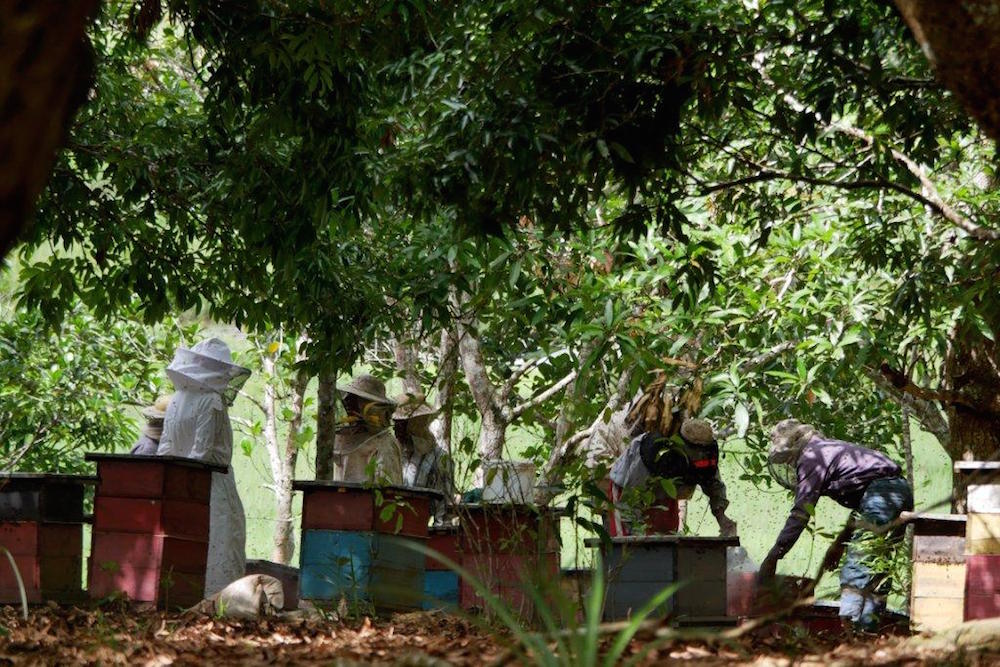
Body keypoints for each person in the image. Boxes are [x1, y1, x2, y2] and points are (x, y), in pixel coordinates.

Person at [758, 418, 914, 631]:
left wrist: (774, 555)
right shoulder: (823, 450)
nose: (789, 465)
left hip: (884, 494)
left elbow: (801, 513)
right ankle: (868, 631)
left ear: (792, 448)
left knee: (859, 561)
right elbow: (863, 507)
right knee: (878, 565)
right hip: (898, 491)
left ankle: (849, 628)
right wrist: (838, 545)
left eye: (787, 459)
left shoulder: (812, 456)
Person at [157, 338, 251, 597]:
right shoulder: (210, 400)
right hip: (212, 486)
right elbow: (203, 452)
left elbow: (165, 449)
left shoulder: (176, 398)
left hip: (177, 484)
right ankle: (219, 605)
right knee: (220, 544)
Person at [608, 418, 737, 537]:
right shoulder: (654, 454)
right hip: (628, 490)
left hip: (667, 494)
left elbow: (713, 484)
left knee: (667, 541)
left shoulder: (706, 456)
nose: (701, 456)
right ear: (684, 447)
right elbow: (630, 501)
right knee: (628, 544)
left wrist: (722, 518)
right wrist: (636, 536)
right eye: (698, 452)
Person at [393, 393, 454, 524]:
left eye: (401, 423)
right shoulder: (392, 451)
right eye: (395, 422)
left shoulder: (440, 460)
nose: (396, 428)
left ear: (415, 424)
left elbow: (443, 512)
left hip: (417, 530)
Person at [332, 374, 403, 484]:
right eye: (350, 399)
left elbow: (389, 489)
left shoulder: (385, 442)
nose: (350, 404)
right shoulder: (342, 439)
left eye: (357, 400)